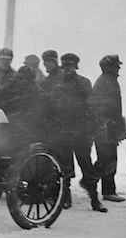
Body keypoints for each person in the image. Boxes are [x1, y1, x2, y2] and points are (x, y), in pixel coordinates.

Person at [45, 53, 106, 212]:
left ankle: (95, 199)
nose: (67, 69)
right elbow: (50, 108)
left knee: (87, 166)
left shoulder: (84, 83)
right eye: (65, 66)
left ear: (76, 66)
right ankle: (65, 198)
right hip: (62, 132)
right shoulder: (55, 84)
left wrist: (90, 129)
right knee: (65, 168)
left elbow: (92, 107)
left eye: (70, 66)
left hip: (81, 133)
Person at [89, 54, 126, 203]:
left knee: (108, 158)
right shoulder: (105, 82)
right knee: (107, 158)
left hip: (109, 127)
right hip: (105, 128)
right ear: (108, 67)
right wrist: (107, 126)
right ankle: (103, 188)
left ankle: (97, 183)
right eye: (116, 65)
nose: (118, 68)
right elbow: (98, 108)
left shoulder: (109, 81)